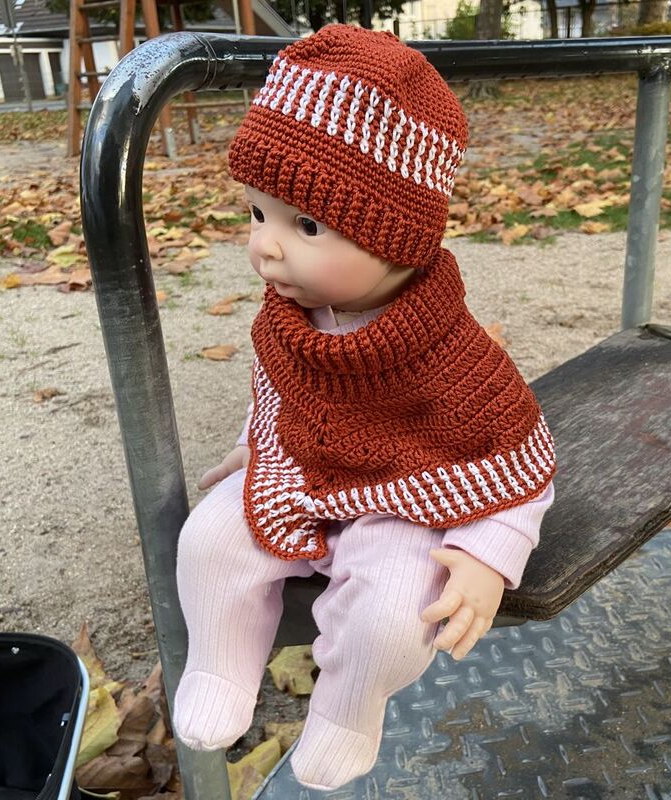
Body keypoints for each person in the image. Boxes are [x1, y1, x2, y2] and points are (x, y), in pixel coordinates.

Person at [171, 23, 557, 791]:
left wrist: (488, 554)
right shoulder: (289, 319)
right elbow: (281, 387)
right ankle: (219, 663)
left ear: (399, 238)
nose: (265, 246)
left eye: (306, 226)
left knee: (394, 618)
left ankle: (349, 710)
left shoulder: (451, 357)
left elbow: (519, 461)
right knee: (208, 541)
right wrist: (260, 440)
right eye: (257, 213)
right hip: (299, 472)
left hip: (407, 502)